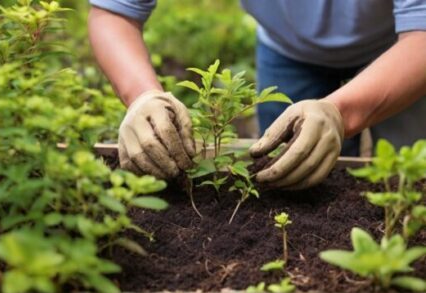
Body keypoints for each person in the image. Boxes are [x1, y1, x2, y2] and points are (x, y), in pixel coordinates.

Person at [88, 1, 426, 190]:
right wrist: (142, 95)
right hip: (286, 47)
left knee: (407, 180)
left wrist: (340, 112)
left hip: (401, 49)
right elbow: (115, 11)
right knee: (290, 175)